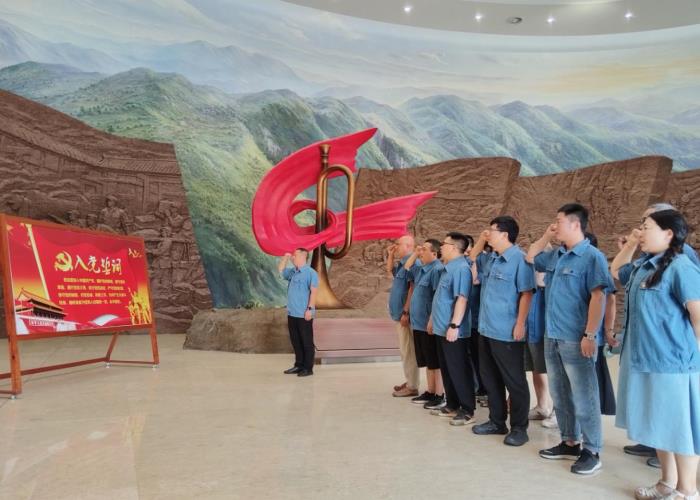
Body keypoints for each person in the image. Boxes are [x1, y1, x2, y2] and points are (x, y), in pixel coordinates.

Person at [613, 209, 700, 500]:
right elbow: (617, 271)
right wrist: (631, 243)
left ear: (668, 233)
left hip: (672, 363)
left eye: (647, 226)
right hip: (645, 360)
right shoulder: (644, 266)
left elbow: (698, 316)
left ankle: (688, 491)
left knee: (680, 429)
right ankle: (667, 482)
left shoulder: (681, 267)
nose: (641, 231)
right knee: (660, 425)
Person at [527, 203, 613, 475]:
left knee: (584, 396)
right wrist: (547, 235)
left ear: (576, 224)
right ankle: (570, 442)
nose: (555, 225)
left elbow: (599, 297)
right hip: (552, 335)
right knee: (561, 393)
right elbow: (531, 256)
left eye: (559, 221)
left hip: (576, 338)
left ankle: (592, 450)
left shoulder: (592, 257)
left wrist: (590, 334)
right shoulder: (557, 255)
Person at [470, 216, 534, 446]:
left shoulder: (520, 259)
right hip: (486, 328)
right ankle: (497, 422)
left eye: (492, 231)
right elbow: (471, 257)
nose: (489, 234)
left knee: (514, 381)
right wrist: (481, 239)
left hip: (506, 330)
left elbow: (526, 293)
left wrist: (520, 323)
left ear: (505, 234)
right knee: (490, 378)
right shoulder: (492, 258)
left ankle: (519, 428)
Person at [427, 232, 476, 426]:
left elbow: (461, 299)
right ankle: (452, 404)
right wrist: (433, 320)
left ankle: (467, 409)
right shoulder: (447, 268)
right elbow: (441, 298)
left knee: (458, 369)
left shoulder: (461, 269)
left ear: (455, 248)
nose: (441, 247)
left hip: (453, 330)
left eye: (444, 244)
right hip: (441, 327)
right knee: (447, 368)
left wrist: (454, 325)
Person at [405, 240, 445, 408]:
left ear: (434, 253)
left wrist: (432, 319)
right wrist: (416, 252)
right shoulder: (422, 269)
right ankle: (430, 391)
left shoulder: (436, 270)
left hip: (428, 324)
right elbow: (407, 267)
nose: (421, 252)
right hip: (418, 323)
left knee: (435, 361)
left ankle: (439, 394)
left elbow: (437, 297)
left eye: (424, 250)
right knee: (428, 361)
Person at [585, 232, 617, 417]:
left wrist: (608, 330)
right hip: (574, 331)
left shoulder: (598, 266)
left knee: (594, 374)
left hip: (592, 332)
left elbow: (610, 300)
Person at [387, 235, 420, 397]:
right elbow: (390, 271)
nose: (395, 246)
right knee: (405, 349)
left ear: (407, 245)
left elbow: (412, 288)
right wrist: (391, 255)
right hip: (399, 314)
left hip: (404, 315)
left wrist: (406, 312)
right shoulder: (402, 263)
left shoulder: (413, 263)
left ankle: (412, 386)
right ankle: (409, 380)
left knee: (408, 350)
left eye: (397, 244)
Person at [278, 248, 318, 377]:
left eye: (295, 255)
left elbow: (314, 293)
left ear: (303, 256)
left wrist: (310, 309)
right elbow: (280, 270)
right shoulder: (293, 272)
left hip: (303, 314)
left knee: (306, 342)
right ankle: (299, 365)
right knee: (296, 341)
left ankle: (308, 368)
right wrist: (285, 257)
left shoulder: (311, 273)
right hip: (292, 313)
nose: (293, 257)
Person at [525, 269, 556, 429]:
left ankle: (559, 412)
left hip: (549, 324)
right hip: (531, 323)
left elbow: (541, 280)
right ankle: (542, 406)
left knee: (555, 370)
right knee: (536, 366)